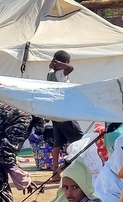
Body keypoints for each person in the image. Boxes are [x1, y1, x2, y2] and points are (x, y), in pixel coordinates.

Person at [46, 50, 82, 182]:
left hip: (55, 114)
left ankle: (55, 173)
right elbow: (70, 68)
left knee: (57, 143)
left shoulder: (50, 74)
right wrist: (59, 64)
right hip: (65, 114)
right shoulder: (60, 74)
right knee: (79, 141)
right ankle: (78, 169)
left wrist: (53, 65)